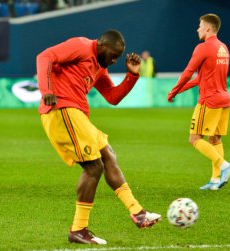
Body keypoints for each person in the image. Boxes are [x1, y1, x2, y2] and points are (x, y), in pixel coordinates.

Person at [37, 29, 161, 245]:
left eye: (117, 58)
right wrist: (46, 89)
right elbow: (44, 56)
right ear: (102, 46)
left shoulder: (100, 68)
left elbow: (113, 97)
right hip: (62, 109)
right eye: (113, 55)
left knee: (109, 155)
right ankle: (78, 229)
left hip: (78, 115)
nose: (114, 61)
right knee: (94, 167)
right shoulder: (81, 46)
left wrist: (132, 75)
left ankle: (137, 212)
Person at [167, 13, 230, 190]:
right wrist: (180, 90)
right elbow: (201, 78)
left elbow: (188, 72)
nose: (197, 28)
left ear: (207, 28)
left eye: (199, 25)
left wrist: (174, 90)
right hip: (224, 99)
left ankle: (225, 166)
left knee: (194, 138)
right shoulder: (224, 48)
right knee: (215, 138)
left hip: (209, 101)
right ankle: (216, 180)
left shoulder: (203, 48)